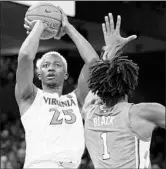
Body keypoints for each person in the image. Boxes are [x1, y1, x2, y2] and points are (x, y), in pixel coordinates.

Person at [15, 5, 100, 168]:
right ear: (39, 75)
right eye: (45, 65)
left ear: (66, 75)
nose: (51, 68)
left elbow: (94, 63)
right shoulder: (30, 96)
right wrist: (39, 25)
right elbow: (25, 56)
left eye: (57, 65)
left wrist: (68, 27)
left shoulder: (77, 99)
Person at [82, 13, 165, 169]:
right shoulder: (142, 112)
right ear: (130, 84)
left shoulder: (89, 112)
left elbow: (97, 83)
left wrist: (109, 52)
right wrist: (110, 50)